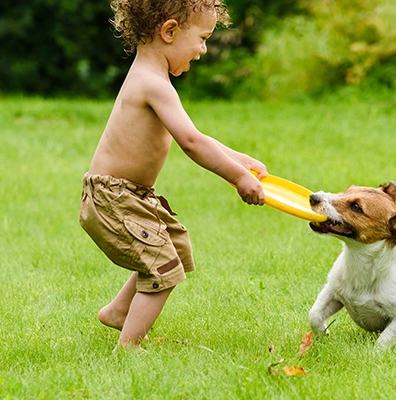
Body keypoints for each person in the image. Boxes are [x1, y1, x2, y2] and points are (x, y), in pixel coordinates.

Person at [79, 0, 266, 351]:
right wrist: (237, 178)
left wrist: (238, 159)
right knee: (163, 267)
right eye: (202, 38)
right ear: (169, 31)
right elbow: (192, 143)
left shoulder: (151, 78)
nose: (203, 49)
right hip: (113, 198)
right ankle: (128, 347)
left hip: (130, 195)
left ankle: (119, 312)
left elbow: (198, 136)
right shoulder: (152, 84)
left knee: (174, 247)